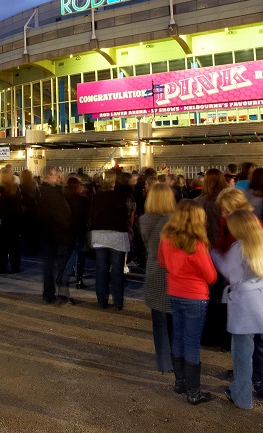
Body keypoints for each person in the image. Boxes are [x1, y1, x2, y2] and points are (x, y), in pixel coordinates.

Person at [211, 210, 263, 410]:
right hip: (261, 298)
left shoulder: (238, 248)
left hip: (244, 301)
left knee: (242, 352)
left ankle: (241, 395)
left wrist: (216, 256)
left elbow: (231, 274)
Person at [158, 200, 217, 405]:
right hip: (195, 296)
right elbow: (211, 277)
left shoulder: (166, 237)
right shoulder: (197, 244)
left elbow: (162, 262)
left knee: (178, 337)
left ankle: (180, 382)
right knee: (192, 342)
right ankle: (193, 392)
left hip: (174, 291)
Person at [140, 182, 177, 374]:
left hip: (153, 272)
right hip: (171, 273)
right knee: (175, 322)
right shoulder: (174, 222)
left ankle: (164, 363)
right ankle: (177, 359)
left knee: (159, 323)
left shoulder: (145, 220)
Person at [88, 170, 131, 310]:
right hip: (117, 234)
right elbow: (124, 214)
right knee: (117, 270)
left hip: (100, 234)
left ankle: (102, 300)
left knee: (101, 269)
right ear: (114, 182)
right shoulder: (120, 197)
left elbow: (92, 215)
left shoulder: (96, 196)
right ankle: (118, 301)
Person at [36, 166, 74, 305]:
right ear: (47, 176)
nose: (57, 177)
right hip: (57, 233)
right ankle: (61, 295)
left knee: (49, 265)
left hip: (47, 233)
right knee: (60, 266)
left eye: (57, 175)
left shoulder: (43, 191)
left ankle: (48, 294)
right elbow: (60, 215)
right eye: (54, 175)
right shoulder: (51, 192)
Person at [0, 168, 23, 273]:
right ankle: (16, 266)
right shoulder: (16, 188)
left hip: (3, 219)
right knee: (14, 245)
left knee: (3, 245)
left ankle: (3, 266)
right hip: (15, 219)